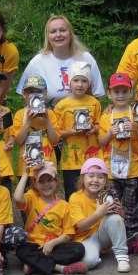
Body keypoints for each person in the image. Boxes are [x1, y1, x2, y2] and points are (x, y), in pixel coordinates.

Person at [98, 72, 138, 242]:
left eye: (124, 91)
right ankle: (115, 233)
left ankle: (132, 234)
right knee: (113, 202)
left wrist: (136, 129)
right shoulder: (106, 116)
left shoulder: (136, 114)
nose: (120, 95)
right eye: (116, 91)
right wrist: (110, 133)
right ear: (109, 93)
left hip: (133, 170)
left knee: (132, 205)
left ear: (131, 92)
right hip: (111, 171)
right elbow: (101, 142)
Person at [14, 162, 87, 275]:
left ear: (57, 181)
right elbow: (17, 198)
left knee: (78, 249)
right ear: (35, 184)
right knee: (21, 250)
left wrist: (52, 243)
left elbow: (68, 234)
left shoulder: (64, 205)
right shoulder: (32, 196)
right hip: (34, 245)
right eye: (41, 181)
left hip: (54, 247)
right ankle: (60, 268)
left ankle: (34, 265)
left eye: (50, 180)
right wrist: (25, 174)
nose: (46, 184)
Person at [16, 15, 105, 106]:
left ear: (70, 33)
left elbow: (97, 95)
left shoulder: (86, 58)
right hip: (48, 116)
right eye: (53, 31)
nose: (58, 35)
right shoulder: (37, 62)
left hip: (80, 115)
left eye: (62, 30)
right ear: (48, 36)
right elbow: (24, 95)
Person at [69, 158, 131, 273]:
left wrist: (120, 212)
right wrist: (98, 213)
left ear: (105, 181)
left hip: (103, 235)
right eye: (91, 176)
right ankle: (96, 253)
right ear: (83, 179)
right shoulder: (75, 197)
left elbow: (120, 221)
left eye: (100, 177)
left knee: (115, 219)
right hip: (85, 238)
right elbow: (80, 227)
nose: (95, 180)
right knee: (89, 262)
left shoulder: (108, 196)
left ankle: (122, 258)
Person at [54, 61, 102, 199]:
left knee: (93, 192)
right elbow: (56, 134)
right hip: (70, 161)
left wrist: (94, 129)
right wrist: (72, 131)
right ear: (69, 82)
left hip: (92, 156)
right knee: (72, 194)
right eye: (76, 80)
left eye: (84, 81)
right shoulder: (61, 106)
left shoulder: (94, 103)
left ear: (89, 83)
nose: (80, 85)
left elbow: (101, 125)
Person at [11, 75, 59, 175]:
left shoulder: (50, 114)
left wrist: (48, 122)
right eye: (31, 92)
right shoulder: (20, 114)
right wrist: (28, 121)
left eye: (38, 92)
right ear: (24, 94)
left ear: (45, 94)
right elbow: (19, 141)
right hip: (27, 167)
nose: (34, 95)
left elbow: (55, 141)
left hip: (48, 165)